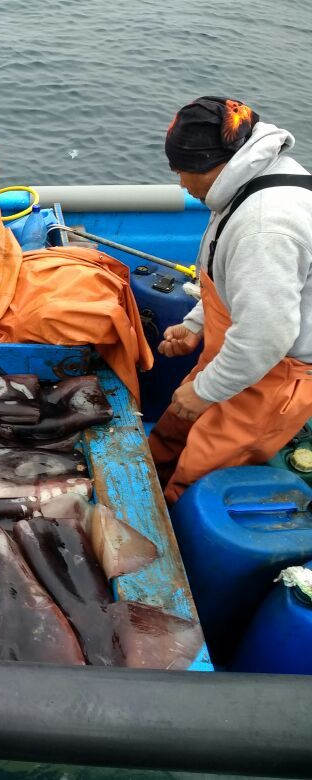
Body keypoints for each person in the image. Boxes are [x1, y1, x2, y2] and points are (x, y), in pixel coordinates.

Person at [149, 96, 312, 503]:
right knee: (172, 431)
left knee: (199, 475)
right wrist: (195, 324)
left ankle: (170, 543)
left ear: (211, 164)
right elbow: (235, 282)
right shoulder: (247, 180)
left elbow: (266, 337)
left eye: (182, 171)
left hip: (273, 375)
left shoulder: (265, 228)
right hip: (236, 357)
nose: (181, 184)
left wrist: (205, 391)